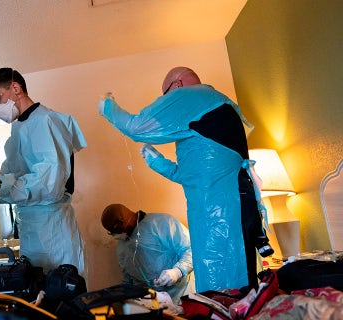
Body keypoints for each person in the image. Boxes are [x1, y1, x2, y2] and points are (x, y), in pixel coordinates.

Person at [98, 66, 271, 292]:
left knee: (228, 288)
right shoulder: (210, 110)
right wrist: (158, 162)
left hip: (223, 209)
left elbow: (138, 127)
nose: (168, 101)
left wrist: (108, 107)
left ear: (177, 85)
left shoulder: (194, 95)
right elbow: (193, 176)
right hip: (217, 206)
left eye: (166, 95)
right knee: (223, 290)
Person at [0, 67, 88, 275]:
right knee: (35, 296)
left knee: (61, 296)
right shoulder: (17, 133)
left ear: (15, 88)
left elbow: (49, 184)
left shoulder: (47, 121)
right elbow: (8, 189)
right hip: (30, 233)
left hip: (53, 230)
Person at [101, 204, 193, 304]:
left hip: (182, 294)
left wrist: (177, 271)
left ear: (121, 222)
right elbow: (128, 280)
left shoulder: (162, 223)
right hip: (154, 303)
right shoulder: (122, 247)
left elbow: (191, 249)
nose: (114, 235)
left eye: (113, 231)